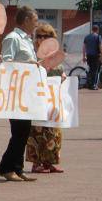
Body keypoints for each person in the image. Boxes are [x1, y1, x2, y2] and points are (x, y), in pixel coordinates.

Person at [0, 6, 40, 182]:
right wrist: (27, 64)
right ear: (26, 20)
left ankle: (17, 167)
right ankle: (7, 168)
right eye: (35, 20)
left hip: (26, 91)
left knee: (24, 131)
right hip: (15, 91)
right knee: (19, 130)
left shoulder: (27, 40)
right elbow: (6, 62)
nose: (37, 24)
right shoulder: (13, 38)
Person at [26, 23, 66, 173]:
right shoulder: (34, 54)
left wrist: (62, 77)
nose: (42, 39)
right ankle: (36, 163)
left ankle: (50, 162)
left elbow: (61, 72)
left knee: (53, 131)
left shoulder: (56, 56)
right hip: (38, 99)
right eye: (40, 36)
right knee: (38, 130)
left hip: (53, 100)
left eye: (46, 36)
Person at [83, 25, 102, 90]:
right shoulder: (98, 37)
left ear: (92, 30)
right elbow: (100, 47)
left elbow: (84, 47)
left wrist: (84, 56)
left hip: (89, 56)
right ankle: (93, 85)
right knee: (95, 71)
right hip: (95, 56)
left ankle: (89, 83)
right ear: (97, 30)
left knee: (91, 70)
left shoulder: (87, 37)